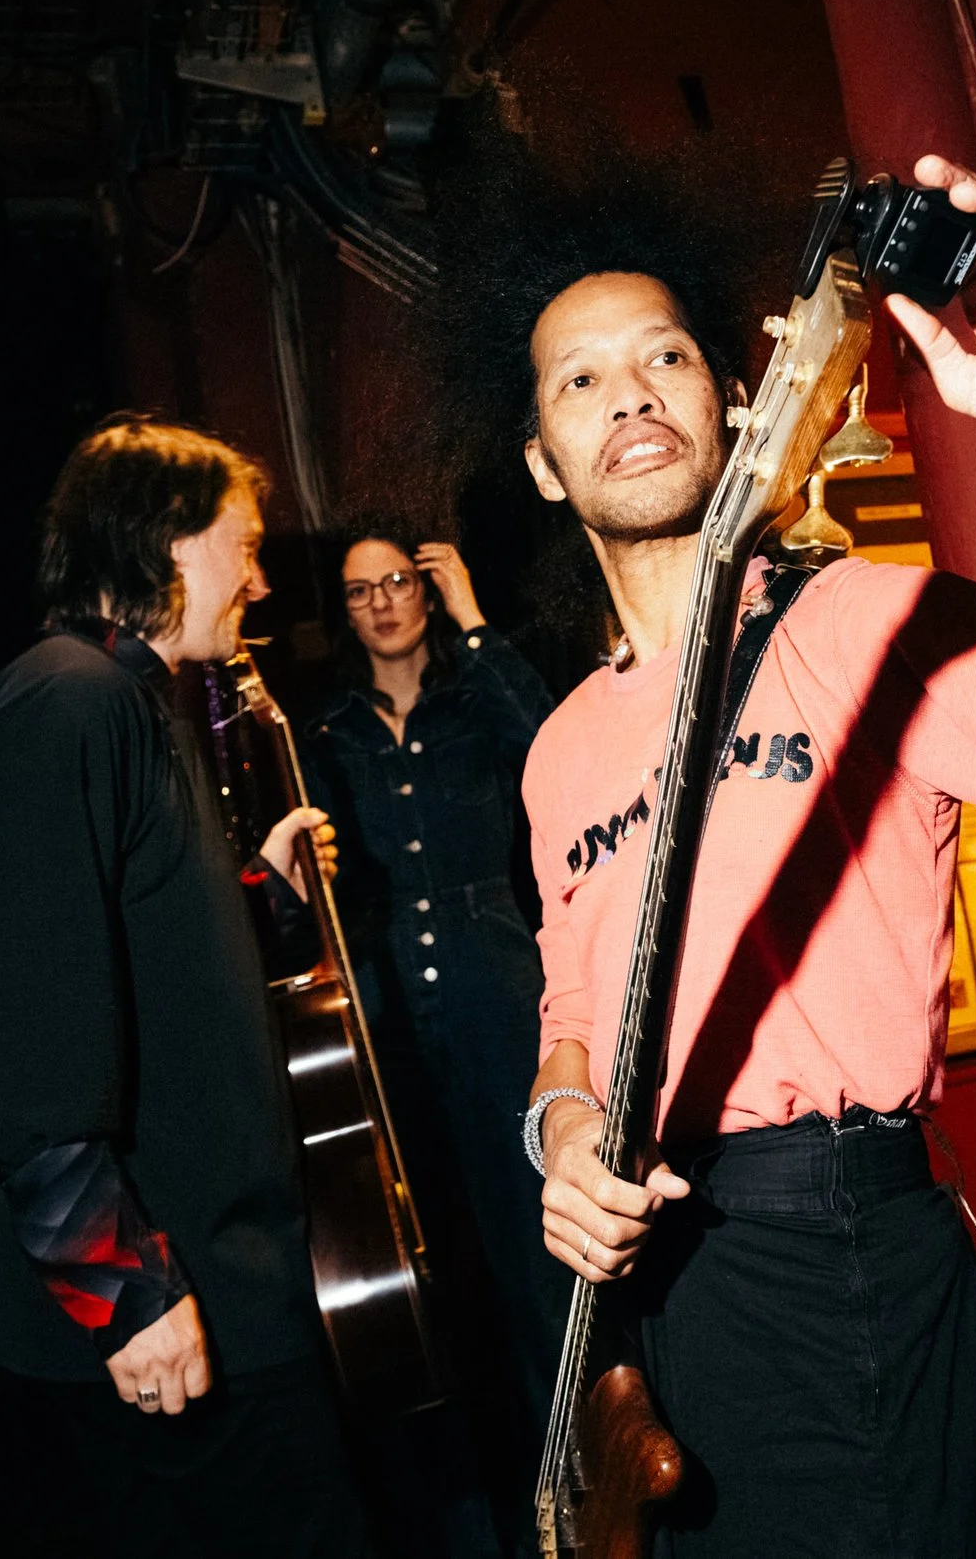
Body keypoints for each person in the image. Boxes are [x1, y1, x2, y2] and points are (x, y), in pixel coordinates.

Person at [485, 155, 976, 1553]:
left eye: (664, 352)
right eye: (581, 378)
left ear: (735, 402)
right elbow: (571, 1019)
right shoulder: (557, 750)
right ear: (546, 467)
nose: (629, 390)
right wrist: (558, 1133)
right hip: (653, 1288)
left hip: (835, 1246)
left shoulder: (856, 625)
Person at [0, 416, 367, 1558]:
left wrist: (262, 896)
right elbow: (27, 1038)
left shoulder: (131, 701)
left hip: (224, 1288)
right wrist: (118, 1288)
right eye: (248, 544)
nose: (262, 578)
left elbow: (145, 951)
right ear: (170, 542)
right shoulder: (65, 702)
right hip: (166, 1306)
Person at [299, 517, 565, 1419]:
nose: (382, 604)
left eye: (399, 581)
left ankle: (575, 1444)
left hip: (495, 980)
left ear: (428, 586)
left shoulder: (474, 694)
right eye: (361, 591)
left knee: (529, 1230)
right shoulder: (325, 728)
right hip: (387, 1000)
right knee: (428, 1241)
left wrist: (476, 619)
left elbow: (551, 750)